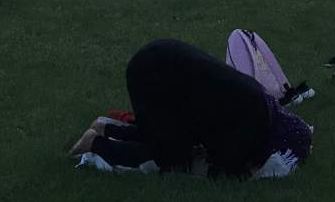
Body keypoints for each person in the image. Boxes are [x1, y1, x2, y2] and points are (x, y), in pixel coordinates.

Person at [69, 39, 312, 177]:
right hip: (157, 74)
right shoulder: (252, 127)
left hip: (164, 62)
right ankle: (95, 144)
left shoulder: (265, 105)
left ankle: (106, 129)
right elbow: (224, 169)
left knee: (170, 138)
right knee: (170, 158)